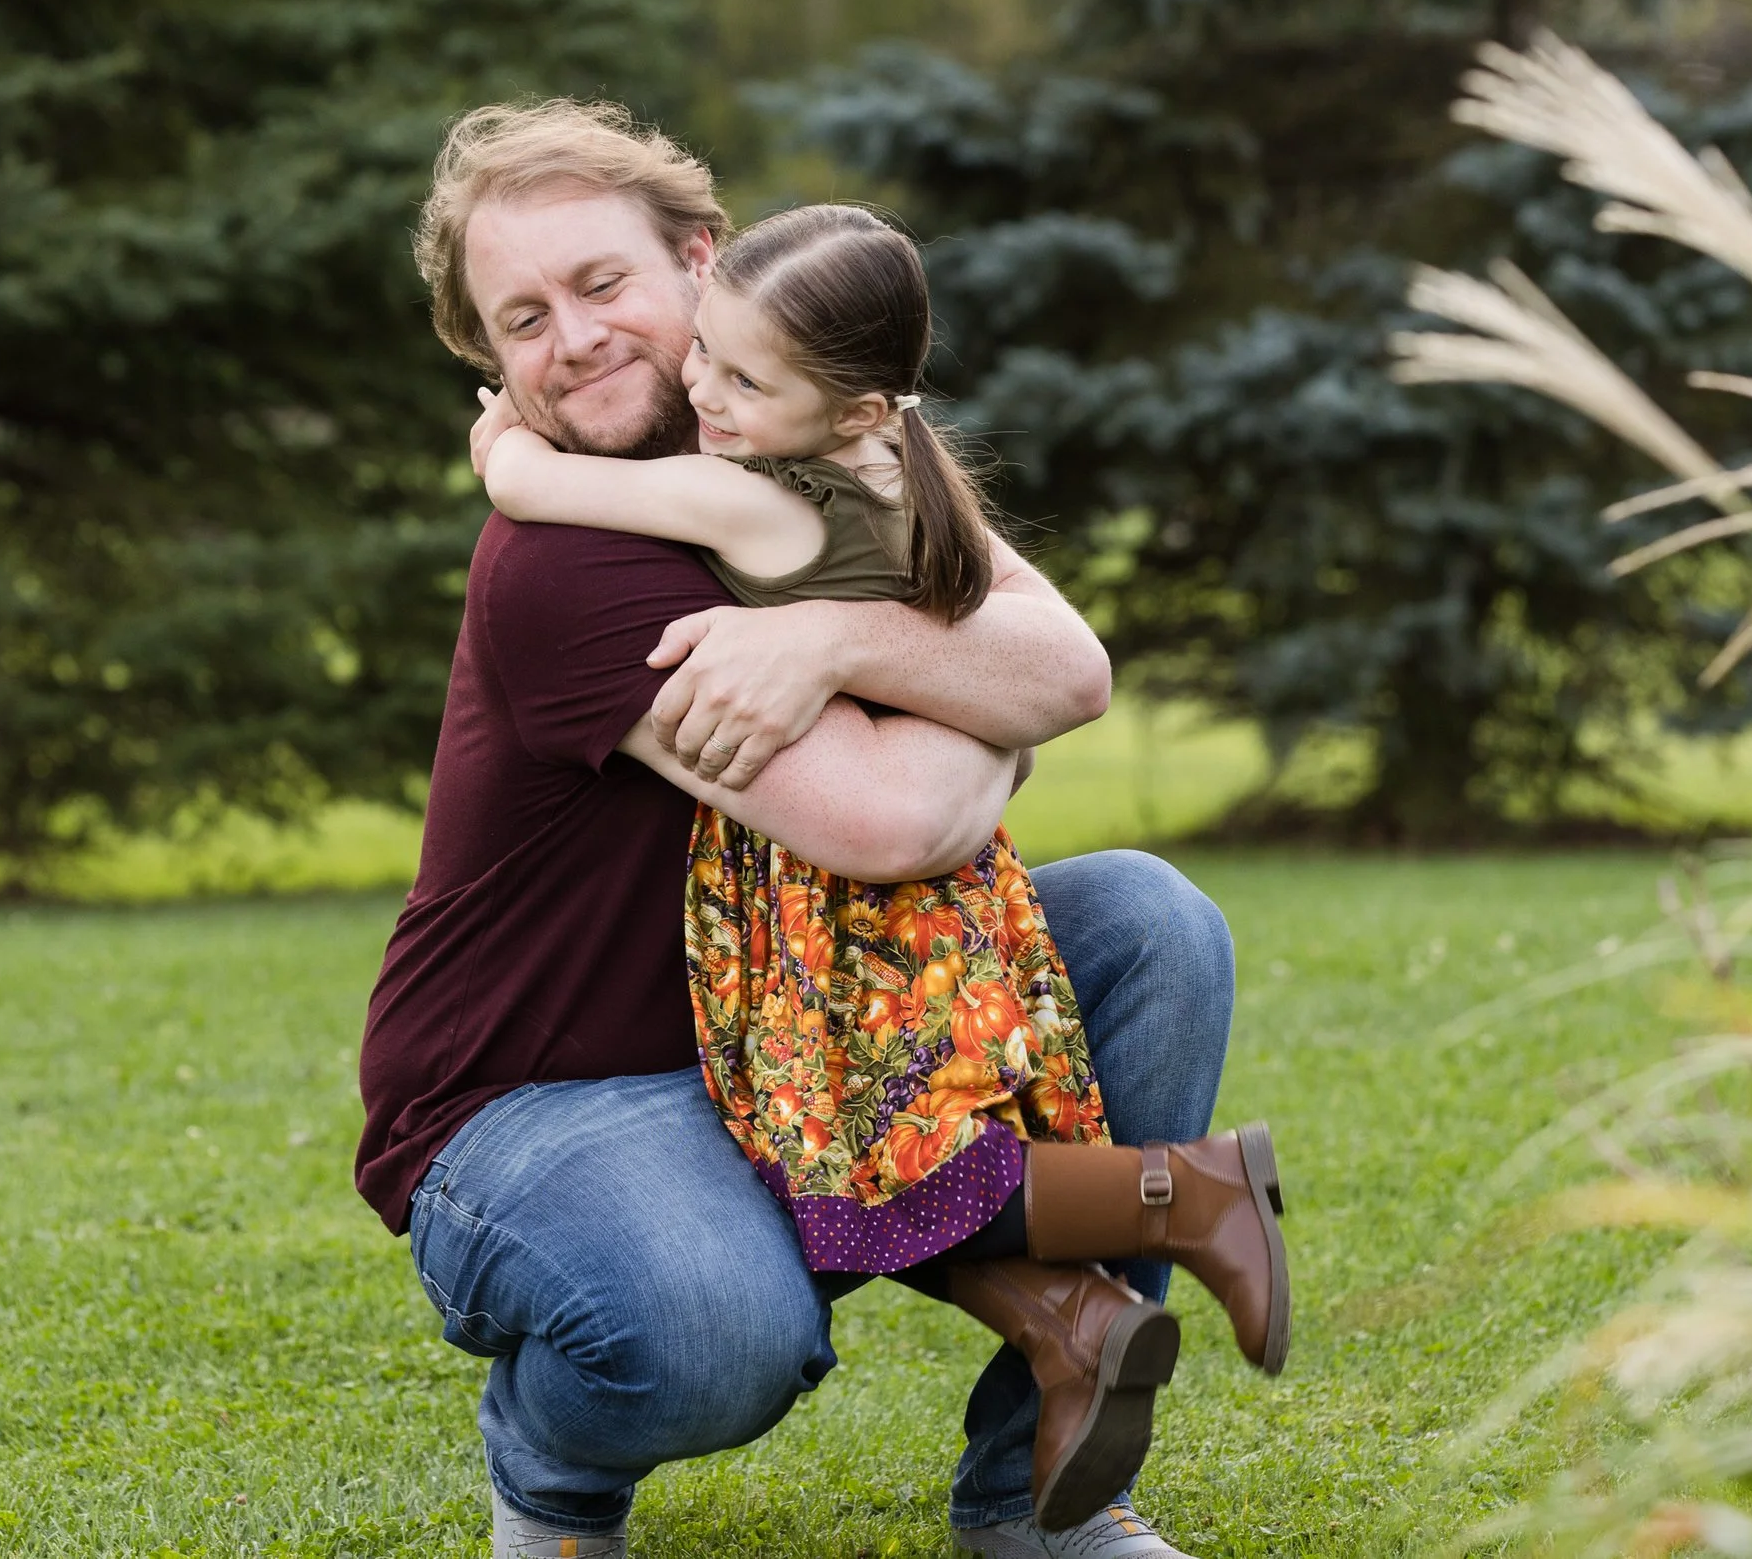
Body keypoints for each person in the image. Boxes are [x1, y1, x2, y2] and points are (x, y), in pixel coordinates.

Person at [357, 99, 1256, 1559]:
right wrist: (949, 690)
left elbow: (1069, 666)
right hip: (536, 1098)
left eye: (602, 285)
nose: (574, 340)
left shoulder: (834, 443)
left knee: (1151, 926)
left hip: (783, 1021)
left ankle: (1043, 1498)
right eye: (521, 319)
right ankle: (550, 1468)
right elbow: (898, 815)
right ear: (489, 360)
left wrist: (833, 639)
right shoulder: (564, 560)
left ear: (704, 265)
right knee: (710, 1327)